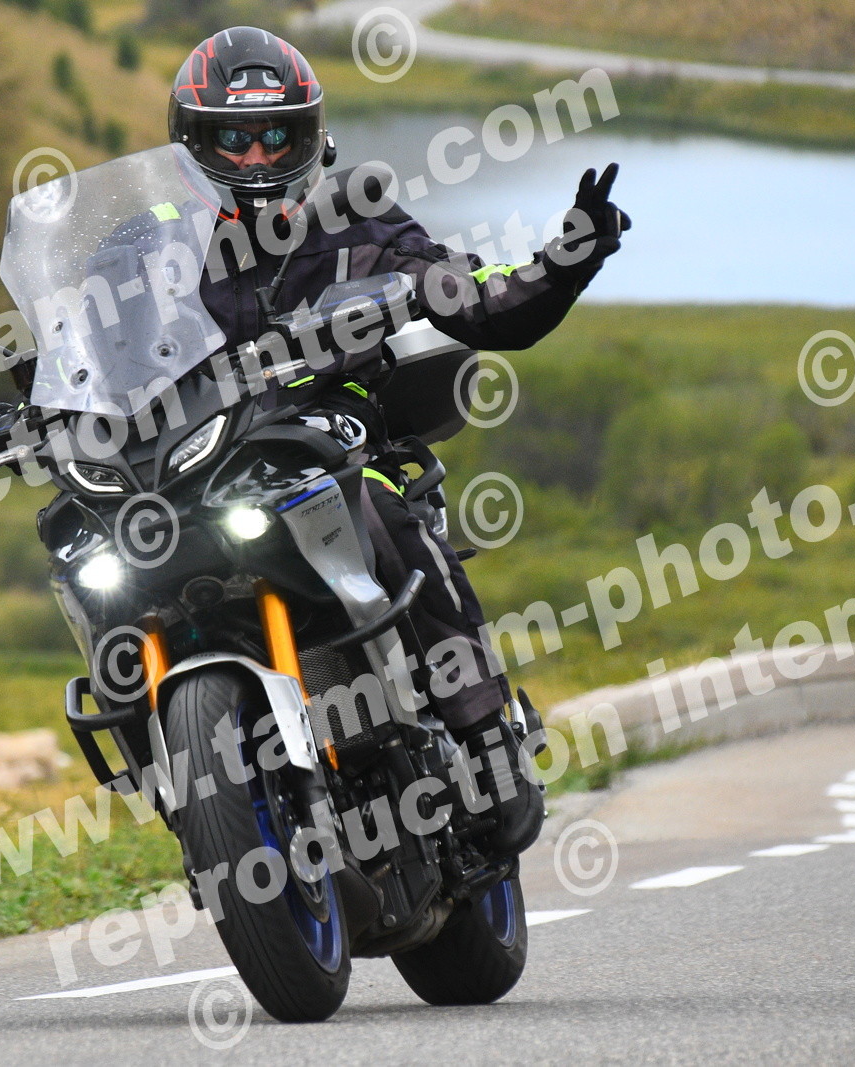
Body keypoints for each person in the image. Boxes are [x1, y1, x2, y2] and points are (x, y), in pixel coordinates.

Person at [166, 26, 629, 859]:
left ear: (311, 138)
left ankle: (486, 738)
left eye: (277, 136)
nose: (257, 156)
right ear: (194, 141)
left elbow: (478, 299)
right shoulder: (156, 250)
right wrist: (4, 368)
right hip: (197, 463)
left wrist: (565, 262)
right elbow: (83, 351)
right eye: (234, 137)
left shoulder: (358, 220)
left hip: (330, 437)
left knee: (381, 508)